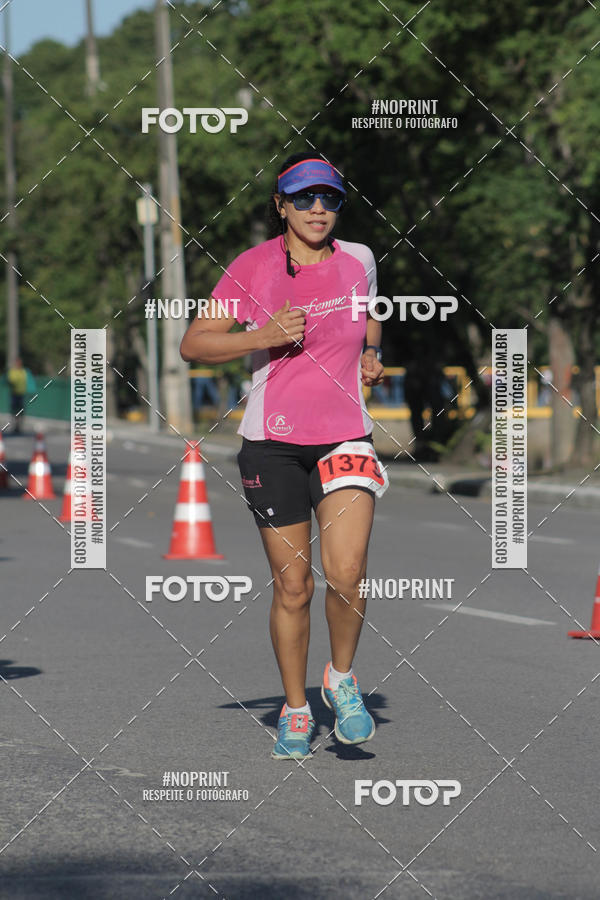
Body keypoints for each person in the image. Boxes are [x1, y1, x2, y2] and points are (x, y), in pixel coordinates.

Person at [181, 152, 386, 759]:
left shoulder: (360, 261)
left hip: (345, 433)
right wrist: (261, 336)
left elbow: (367, 317)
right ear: (281, 205)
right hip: (272, 443)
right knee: (293, 585)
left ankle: (341, 679)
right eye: (304, 199)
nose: (317, 210)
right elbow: (195, 343)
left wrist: (372, 355)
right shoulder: (252, 267)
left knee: (346, 575)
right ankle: (296, 710)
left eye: (329, 199)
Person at [7, 357, 28, 434]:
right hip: (14, 394)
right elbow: (11, 380)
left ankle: (19, 426)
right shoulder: (13, 371)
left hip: (21, 394)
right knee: (14, 410)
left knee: (21, 411)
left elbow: (26, 380)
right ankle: (14, 426)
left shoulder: (23, 371)